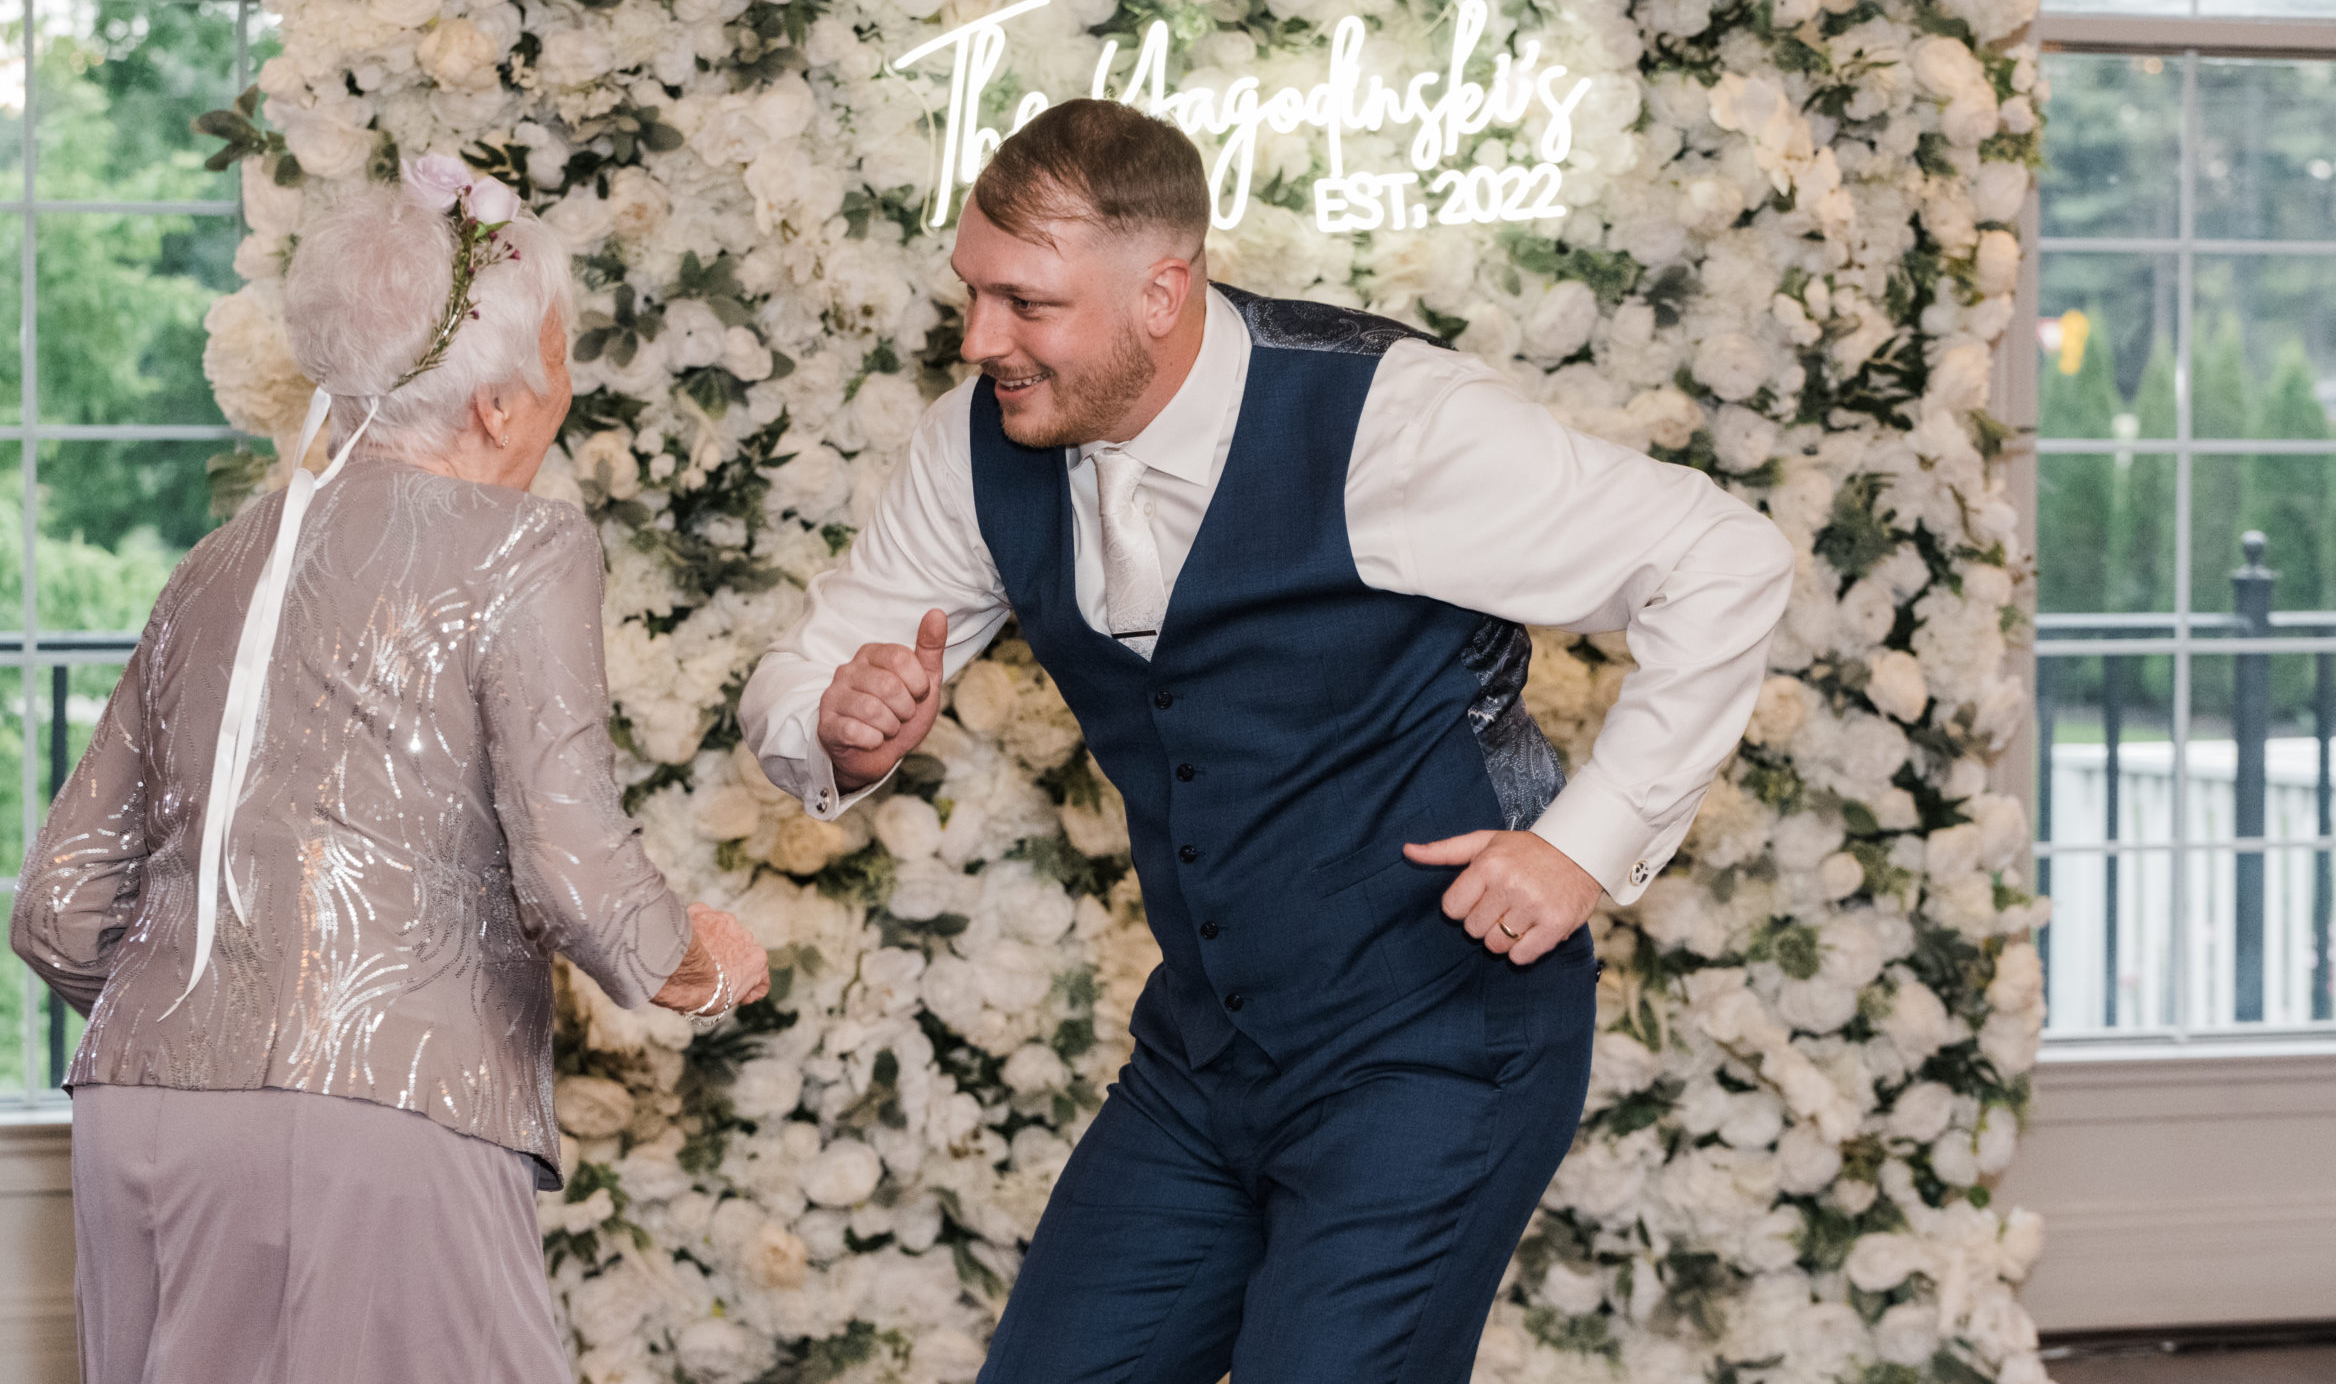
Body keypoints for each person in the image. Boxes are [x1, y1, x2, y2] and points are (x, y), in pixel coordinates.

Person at [737, 99, 1795, 1382]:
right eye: (972, 294)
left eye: (1026, 304)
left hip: (1434, 1047)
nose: (979, 341)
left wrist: (1583, 846)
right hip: (1199, 1059)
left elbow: (1718, 559)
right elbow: (813, 666)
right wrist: (838, 730)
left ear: (1161, 292)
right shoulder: (975, 446)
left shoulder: (1391, 425)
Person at [12, 159, 770, 1384]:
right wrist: (701, 966)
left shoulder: (212, 565)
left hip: (134, 1113)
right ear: (496, 405)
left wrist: (216, 1013)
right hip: (380, 1112)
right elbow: (576, 873)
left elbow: (58, 906)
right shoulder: (523, 546)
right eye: (562, 357)